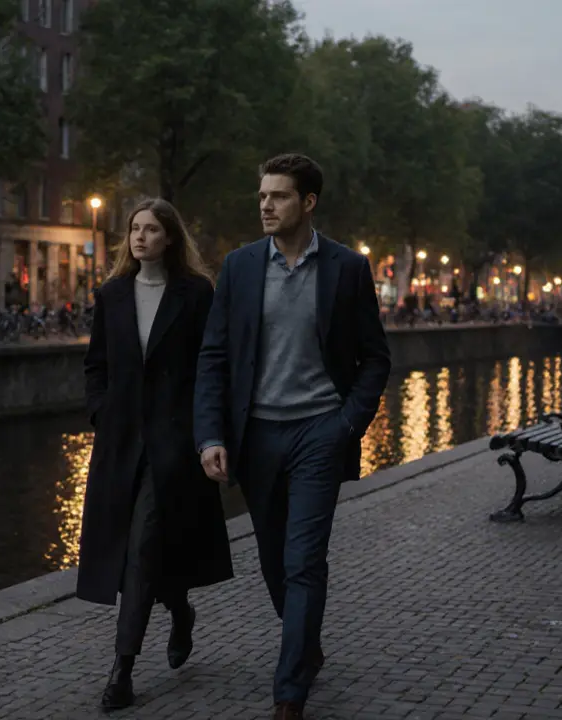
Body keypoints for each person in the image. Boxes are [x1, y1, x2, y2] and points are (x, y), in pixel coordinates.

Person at [194, 153, 392, 720]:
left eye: (278, 196)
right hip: (255, 435)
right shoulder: (238, 267)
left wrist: (347, 423)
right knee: (273, 560)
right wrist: (210, 434)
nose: (265, 205)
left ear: (308, 203)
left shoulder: (347, 268)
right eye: (261, 195)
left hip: (318, 434)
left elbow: (374, 357)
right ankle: (306, 646)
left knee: (304, 560)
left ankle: (289, 694)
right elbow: (214, 357)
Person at [77, 197, 233, 711]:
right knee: (138, 550)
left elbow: (211, 365)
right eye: (134, 229)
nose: (140, 237)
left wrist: (204, 431)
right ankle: (180, 609)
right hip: (120, 443)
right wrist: (101, 411)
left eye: (151, 229)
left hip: (173, 444)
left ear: (170, 237)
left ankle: (120, 672)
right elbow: (96, 365)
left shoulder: (195, 294)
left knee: (142, 548)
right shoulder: (113, 294)